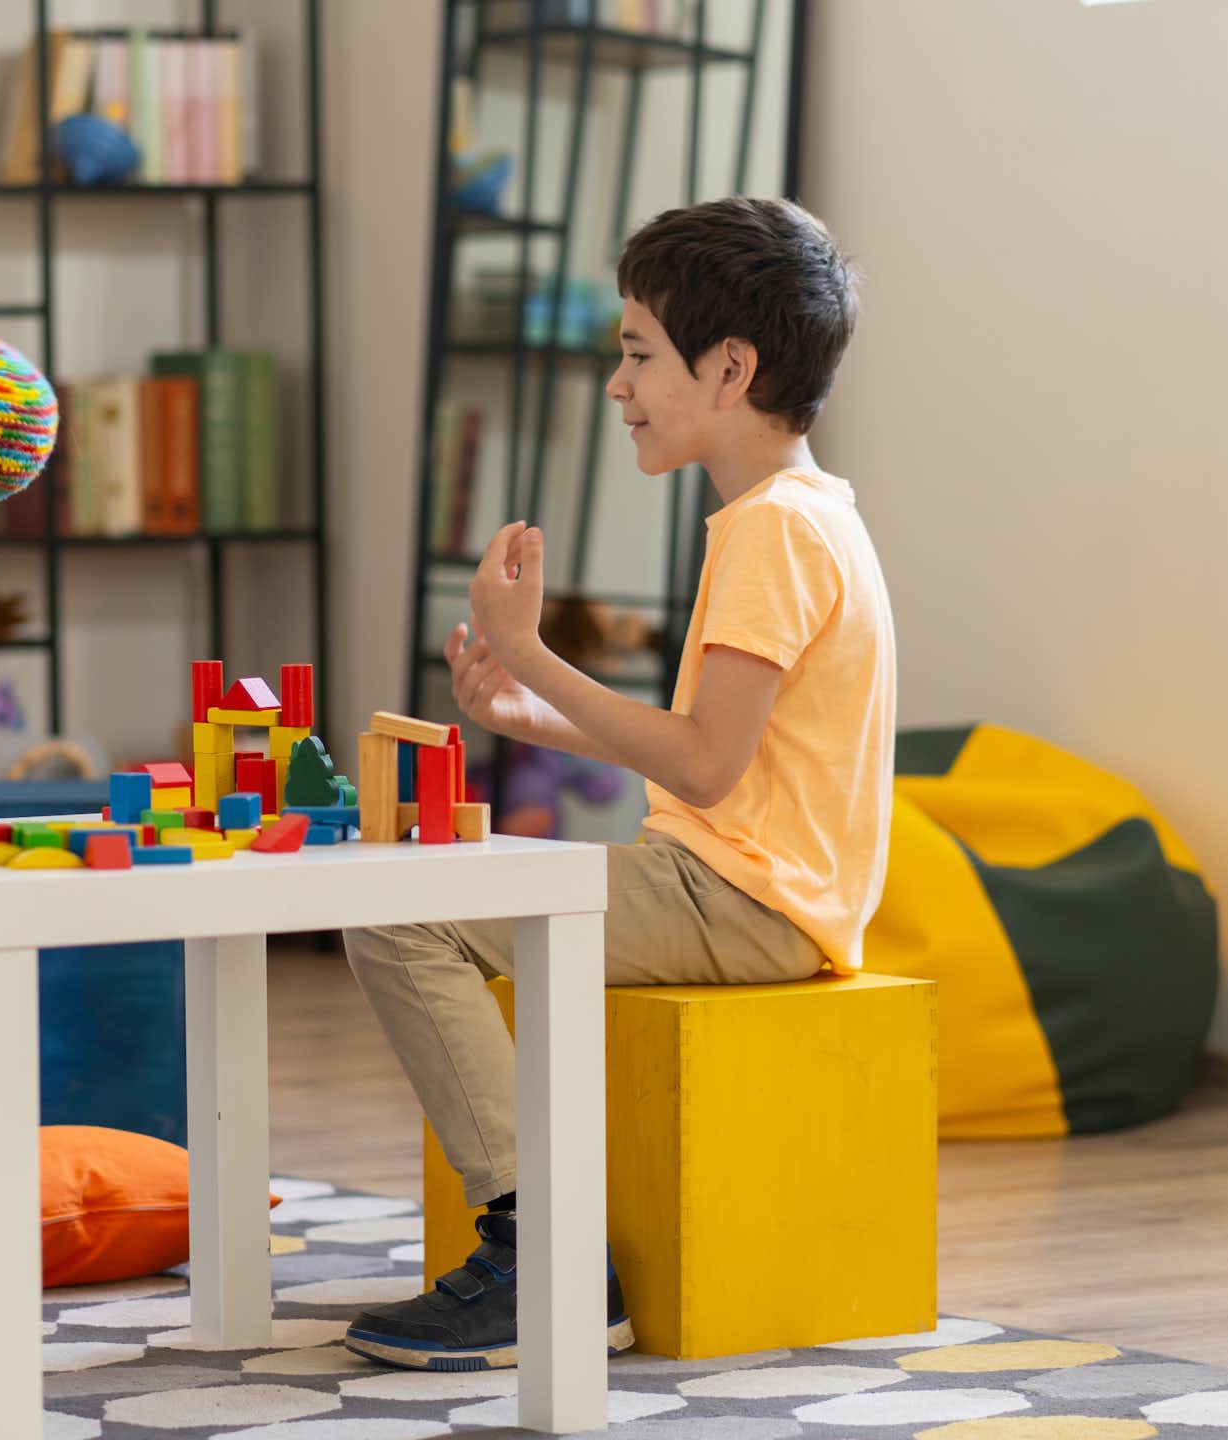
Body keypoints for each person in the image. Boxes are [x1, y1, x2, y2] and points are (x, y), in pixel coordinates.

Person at [340, 197, 893, 1371]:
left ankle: (541, 1252)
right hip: (745, 884)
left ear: (729, 366)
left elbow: (701, 762)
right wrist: (527, 711)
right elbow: (712, 754)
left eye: (637, 352)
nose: (616, 382)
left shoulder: (770, 532)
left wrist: (534, 650)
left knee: (400, 910)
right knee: (426, 892)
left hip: (743, 901)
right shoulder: (805, 517)